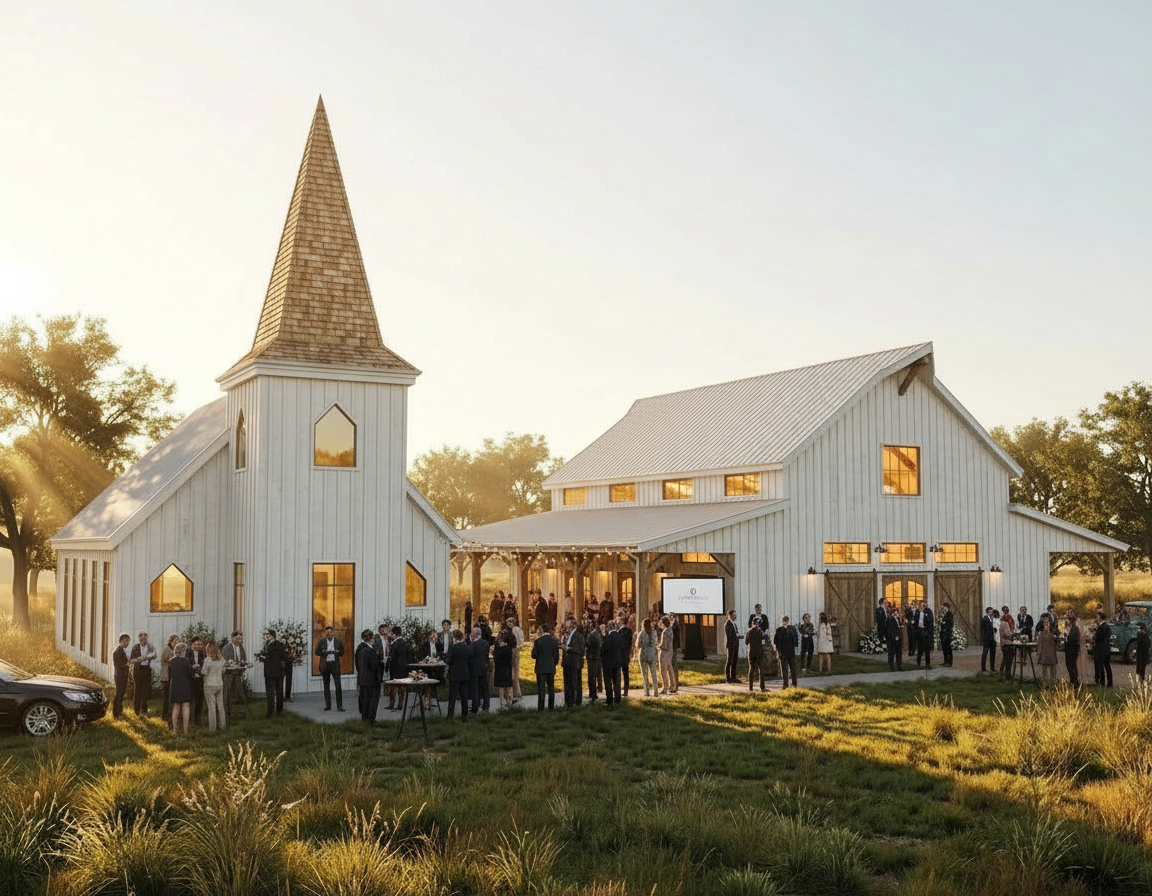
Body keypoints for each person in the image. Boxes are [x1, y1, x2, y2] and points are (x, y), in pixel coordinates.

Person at [314, 625, 345, 712]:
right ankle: (328, 705)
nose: (329, 635)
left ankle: (339, 706)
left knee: (338, 685)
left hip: (335, 666)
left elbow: (342, 652)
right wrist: (323, 653)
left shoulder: (338, 641)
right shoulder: (322, 641)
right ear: (325, 633)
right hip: (325, 666)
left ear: (333, 632)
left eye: (330, 633)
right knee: (326, 686)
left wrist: (337, 652)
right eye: (327, 633)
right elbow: (316, 652)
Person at [354, 628, 382, 725]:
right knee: (372, 701)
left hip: (362, 679)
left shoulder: (359, 649)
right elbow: (374, 666)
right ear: (369, 638)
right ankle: (371, 720)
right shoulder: (371, 651)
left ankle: (364, 719)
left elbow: (357, 664)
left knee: (364, 700)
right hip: (372, 680)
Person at [532, 623, 560, 710]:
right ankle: (551, 706)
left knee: (541, 688)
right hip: (551, 667)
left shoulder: (538, 642)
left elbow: (533, 655)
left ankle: (541, 707)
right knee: (551, 688)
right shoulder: (554, 641)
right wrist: (553, 663)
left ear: (542, 630)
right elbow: (557, 656)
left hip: (540, 667)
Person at [129, 631, 157, 716]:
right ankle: (136, 710)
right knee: (137, 689)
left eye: (145, 637)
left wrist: (148, 657)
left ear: (147, 638)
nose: (143, 639)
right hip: (138, 670)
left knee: (145, 689)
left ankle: (144, 710)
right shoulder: (136, 647)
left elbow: (155, 655)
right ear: (139, 639)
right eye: (141, 637)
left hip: (146, 669)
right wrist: (139, 659)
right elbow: (131, 660)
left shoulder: (150, 646)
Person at [167, 643, 193, 735]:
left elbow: (169, 674)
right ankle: (185, 730)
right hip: (185, 684)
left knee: (176, 706)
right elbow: (190, 674)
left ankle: (175, 730)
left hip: (175, 684)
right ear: (183, 651)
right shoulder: (186, 661)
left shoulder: (171, 661)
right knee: (186, 706)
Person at [445, 630, 471, 720]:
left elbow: (448, 661)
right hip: (465, 673)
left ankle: (450, 715)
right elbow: (470, 661)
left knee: (452, 696)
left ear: (454, 638)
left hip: (455, 674)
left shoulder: (452, 648)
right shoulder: (467, 648)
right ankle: (465, 714)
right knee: (464, 695)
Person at [202, 641, 227, 732]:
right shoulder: (222, 660)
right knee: (220, 706)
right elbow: (224, 670)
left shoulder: (208, 660)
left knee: (211, 707)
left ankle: (212, 729)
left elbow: (204, 672)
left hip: (209, 685)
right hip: (219, 684)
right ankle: (223, 726)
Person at [261, 629, 287, 717]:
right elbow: (284, 657)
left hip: (270, 672)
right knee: (279, 691)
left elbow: (268, 656)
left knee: (271, 692)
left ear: (272, 636)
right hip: (278, 672)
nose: (266, 637)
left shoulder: (271, 645)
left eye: (267, 635)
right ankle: (279, 711)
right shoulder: (280, 645)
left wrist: (263, 658)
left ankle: (270, 712)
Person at [221, 631, 247, 713]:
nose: (238, 641)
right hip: (228, 673)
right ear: (232, 638)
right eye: (236, 638)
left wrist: (243, 662)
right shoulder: (227, 647)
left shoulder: (241, 648)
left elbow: (244, 658)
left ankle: (239, 709)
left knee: (237, 691)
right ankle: (225, 710)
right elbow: (224, 660)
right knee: (226, 692)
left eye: (240, 639)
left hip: (237, 673)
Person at [562, 620, 586, 706]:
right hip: (567, 662)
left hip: (574, 662)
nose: (566, 626)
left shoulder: (579, 636)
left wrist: (570, 649)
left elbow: (581, 650)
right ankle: (568, 700)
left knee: (575, 682)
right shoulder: (567, 636)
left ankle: (575, 700)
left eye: (567, 624)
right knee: (568, 682)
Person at [601, 621, 624, 707]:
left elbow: (605, 647)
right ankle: (618, 698)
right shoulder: (619, 637)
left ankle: (609, 700)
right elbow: (622, 648)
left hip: (608, 662)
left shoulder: (608, 637)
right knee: (617, 682)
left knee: (608, 682)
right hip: (617, 661)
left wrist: (603, 637)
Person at [388, 628, 410, 711]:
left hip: (395, 667)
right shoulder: (404, 643)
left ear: (394, 634)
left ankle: (392, 704)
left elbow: (392, 656)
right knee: (401, 687)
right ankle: (400, 704)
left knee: (393, 686)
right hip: (403, 667)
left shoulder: (395, 644)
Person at [469, 626, 490, 713]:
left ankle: (475, 706)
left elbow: (470, 657)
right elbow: (487, 654)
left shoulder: (473, 645)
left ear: (474, 634)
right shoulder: (485, 643)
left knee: (475, 689)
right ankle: (486, 705)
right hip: (483, 668)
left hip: (474, 669)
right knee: (484, 688)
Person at [774, 616, 798, 689]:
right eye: (783, 621)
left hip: (790, 651)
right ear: (781, 621)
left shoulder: (792, 629)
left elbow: (796, 640)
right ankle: (785, 685)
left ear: (788, 621)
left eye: (786, 621)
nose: (785, 622)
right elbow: (775, 641)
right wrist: (778, 651)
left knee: (793, 668)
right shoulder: (779, 630)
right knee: (784, 670)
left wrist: (794, 645)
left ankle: (794, 685)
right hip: (782, 652)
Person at [492, 631, 514, 708]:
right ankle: (509, 700)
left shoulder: (497, 647)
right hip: (507, 667)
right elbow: (511, 658)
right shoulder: (508, 648)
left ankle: (502, 702)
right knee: (508, 685)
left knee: (500, 686)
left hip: (499, 668)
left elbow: (495, 657)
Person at [112, 633, 132, 718]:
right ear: (120, 642)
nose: (125, 643)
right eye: (123, 641)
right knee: (119, 693)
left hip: (123, 674)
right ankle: (116, 712)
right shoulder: (117, 652)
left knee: (121, 693)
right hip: (119, 675)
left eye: (127, 641)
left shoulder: (125, 650)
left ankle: (119, 710)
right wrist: (128, 664)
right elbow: (118, 665)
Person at [637, 618, 658, 696]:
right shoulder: (654, 633)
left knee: (645, 675)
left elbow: (638, 645)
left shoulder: (642, 633)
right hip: (652, 654)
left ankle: (647, 692)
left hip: (644, 655)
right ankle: (656, 691)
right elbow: (656, 643)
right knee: (654, 674)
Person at [159, 633, 178, 722]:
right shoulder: (167, 649)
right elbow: (166, 662)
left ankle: (168, 714)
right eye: (176, 641)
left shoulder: (173, 650)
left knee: (169, 697)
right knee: (166, 697)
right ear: (171, 641)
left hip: (170, 676)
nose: (177, 643)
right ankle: (165, 715)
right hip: (166, 676)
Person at [189, 637, 206, 725]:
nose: (197, 646)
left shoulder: (204, 654)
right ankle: (189, 719)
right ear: (192, 646)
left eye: (199, 644)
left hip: (200, 678)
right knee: (191, 699)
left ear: (202, 645)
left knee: (200, 699)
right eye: (195, 644)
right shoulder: (188, 653)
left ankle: (197, 719)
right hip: (190, 679)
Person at [1094, 611, 1113, 687]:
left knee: (1101, 666)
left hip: (1101, 649)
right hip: (1106, 649)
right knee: (1107, 666)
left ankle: (1102, 682)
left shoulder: (1102, 627)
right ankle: (1109, 682)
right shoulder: (1106, 627)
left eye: (1097, 617)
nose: (1096, 619)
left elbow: (1099, 638)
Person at [585, 621, 603, 703]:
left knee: (591, 676)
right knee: (596, 675)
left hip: (592, 658)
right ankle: (596, 690)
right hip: (597, 658)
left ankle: (592, 693)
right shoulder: (598, 635)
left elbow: (587, 645)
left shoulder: (591, 635)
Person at [746, 621, 767, 690]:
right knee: (761, 669)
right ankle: (762, 687)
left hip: (752, 651)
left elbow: (746, 642)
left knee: (751, 669)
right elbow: (763, 642)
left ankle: (750, 687)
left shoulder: (749, 631)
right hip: (759, 652)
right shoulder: (760, 631)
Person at [1036, 619, 1058, 686]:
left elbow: (1056, 641)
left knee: (1053, 669)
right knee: (1044, 669)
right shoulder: (1041, 635)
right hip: (1044, 653)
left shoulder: (1052, 634)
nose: (1047, 625)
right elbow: (1039, 645)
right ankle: (1044, 683)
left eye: (1048, 624)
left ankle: (1053, 683)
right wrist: (1039, 654)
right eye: (1045, 624)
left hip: (1051, 652)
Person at [658, 616, 676, 694]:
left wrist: (658, 646)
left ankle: (665, 687)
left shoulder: (665, 632)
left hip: (664, 653)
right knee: (670, 669)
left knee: (663, 671)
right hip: (670, 652)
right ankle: (673, 686)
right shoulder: (670, 631)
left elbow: (664, 645)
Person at [509, 615, 525, 703]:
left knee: (513, 673)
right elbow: (521, 641)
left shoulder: (513, 631)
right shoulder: (519, 630)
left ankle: (513, 693)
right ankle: (517, 692)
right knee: (515, 673)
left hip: (513, 652)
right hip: (516, 651)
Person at [723, 609, 741, 682]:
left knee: (734, 661)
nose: (735, 617)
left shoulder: (734, 623)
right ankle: (728, 678)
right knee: (729, 661)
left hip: (735, 644)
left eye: (735, 615)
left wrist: (738, 637)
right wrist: (734, 639)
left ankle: (734, 676)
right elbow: (729, 635)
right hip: (731, 645)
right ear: (729, 615)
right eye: (733, 615)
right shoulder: (728, 623)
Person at [1064, 611, 1081, 686]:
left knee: (1072, 665)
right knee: (1068, 665)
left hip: (1073, 649)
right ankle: (1072, 680)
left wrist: (1067, 639)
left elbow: (1074, 640)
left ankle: (1075, 681)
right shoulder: (1068, 629)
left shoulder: (1075, 628)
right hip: (1068, 649)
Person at [916, 601, 934, 670]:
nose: (922, 607)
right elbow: (915, 620)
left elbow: (930, 621)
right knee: (920, 648)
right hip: (919, 631)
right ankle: (918, 661)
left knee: (927, 649)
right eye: (921, 605)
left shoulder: (928, 612)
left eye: (923, 605)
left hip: (926, 632)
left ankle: (928, 664)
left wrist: (929, 632)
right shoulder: (918, 612)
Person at [998, 607, 1015, 678]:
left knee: (1005, 657)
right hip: (1007, 641)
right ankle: (1007, 674)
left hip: (1002, 641)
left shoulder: (1003, 619)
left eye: (1006, 611)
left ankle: (1002, 669)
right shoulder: (1004, 621)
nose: (1005, 612)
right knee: (1008, 658)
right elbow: (1008, 632)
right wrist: (1012, 635)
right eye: (1005, 611)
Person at [980, 607, 997, 673]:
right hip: (987, 639)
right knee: (985, 653)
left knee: (993, 653)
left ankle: (992, 667)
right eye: (990, 612)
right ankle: (983, 667)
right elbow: (984, 629)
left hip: (992, 638)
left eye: (992, 612)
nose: (991, 613)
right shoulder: (985, 619)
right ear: (987, 612)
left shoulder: (993, 619)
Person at [886, 607, 903, 672]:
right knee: (891, 653)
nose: (898, 613)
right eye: (897, 612)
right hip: (892, 640)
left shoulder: (897, 619)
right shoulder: (890, 619)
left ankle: (899, 666)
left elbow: (898, 627)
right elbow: (889, 630)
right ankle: (891, 667)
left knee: (898, 653)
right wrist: (894, 636)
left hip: (898, 638)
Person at [938, 602, 954, 667]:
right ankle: (945, 661)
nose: (944, 608)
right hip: (943, 633)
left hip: (947, 633)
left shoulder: (949, 614)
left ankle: (950, 662)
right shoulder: (942, 614)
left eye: (945, 607)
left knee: (948, 648)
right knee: (944, 648)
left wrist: (944, 623)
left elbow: (949, 623)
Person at [282, 638, 298, 704]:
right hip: (282, 663)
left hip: (289, 663)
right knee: (280, 680)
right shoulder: (282, 646)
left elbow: (294, 655)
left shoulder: (292, 647)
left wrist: (293, 651)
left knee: (289, 679)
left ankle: (287, 696)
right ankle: (280, 696)